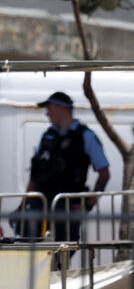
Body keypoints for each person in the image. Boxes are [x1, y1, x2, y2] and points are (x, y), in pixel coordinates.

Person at [23, 91, 110, 241]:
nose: (47, 114)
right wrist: (25, 203)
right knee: (30, 255)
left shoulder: (86, 136)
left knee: (61, 256)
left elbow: (104, 174)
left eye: (49, 109)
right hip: (40, 206)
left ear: (62, 108)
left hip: (67, 209)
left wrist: (87, 207)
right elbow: (36, 172)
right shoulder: (47, 135)